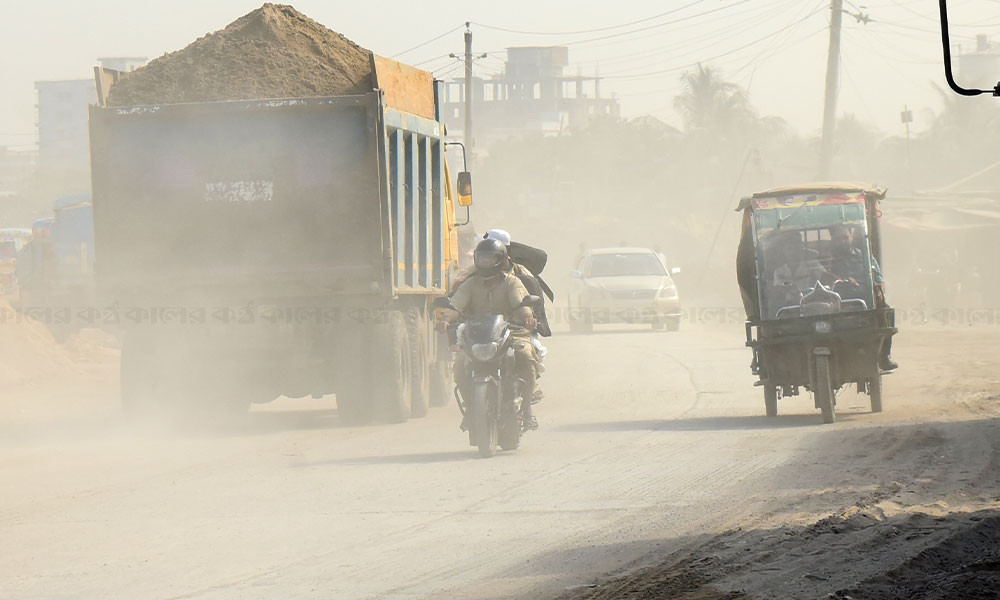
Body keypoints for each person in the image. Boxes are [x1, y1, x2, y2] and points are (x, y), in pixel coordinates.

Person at [438, 238, 541, 430]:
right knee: (460, 364)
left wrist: (527, 317)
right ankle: (471, 410)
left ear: (500, 260)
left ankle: (527, 410)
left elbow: (522, 303)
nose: (485, 263)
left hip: (510, 332)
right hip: (477, 336)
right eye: (482, 258)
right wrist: (446, 319)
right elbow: (456, 304)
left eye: (490, 258)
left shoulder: (512, 282)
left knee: (526, 356)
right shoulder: (470, 284)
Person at [826, 225, 897, 371]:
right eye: (838, 238)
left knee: (886, 312)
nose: (842, 241)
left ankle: (884, 356)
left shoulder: (865, 257)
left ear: (852, 236)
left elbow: (879, 281)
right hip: (835, 303)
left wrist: (876, 292)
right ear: (832, 239)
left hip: (864, 300)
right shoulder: (827, 259)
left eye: (845, 237)